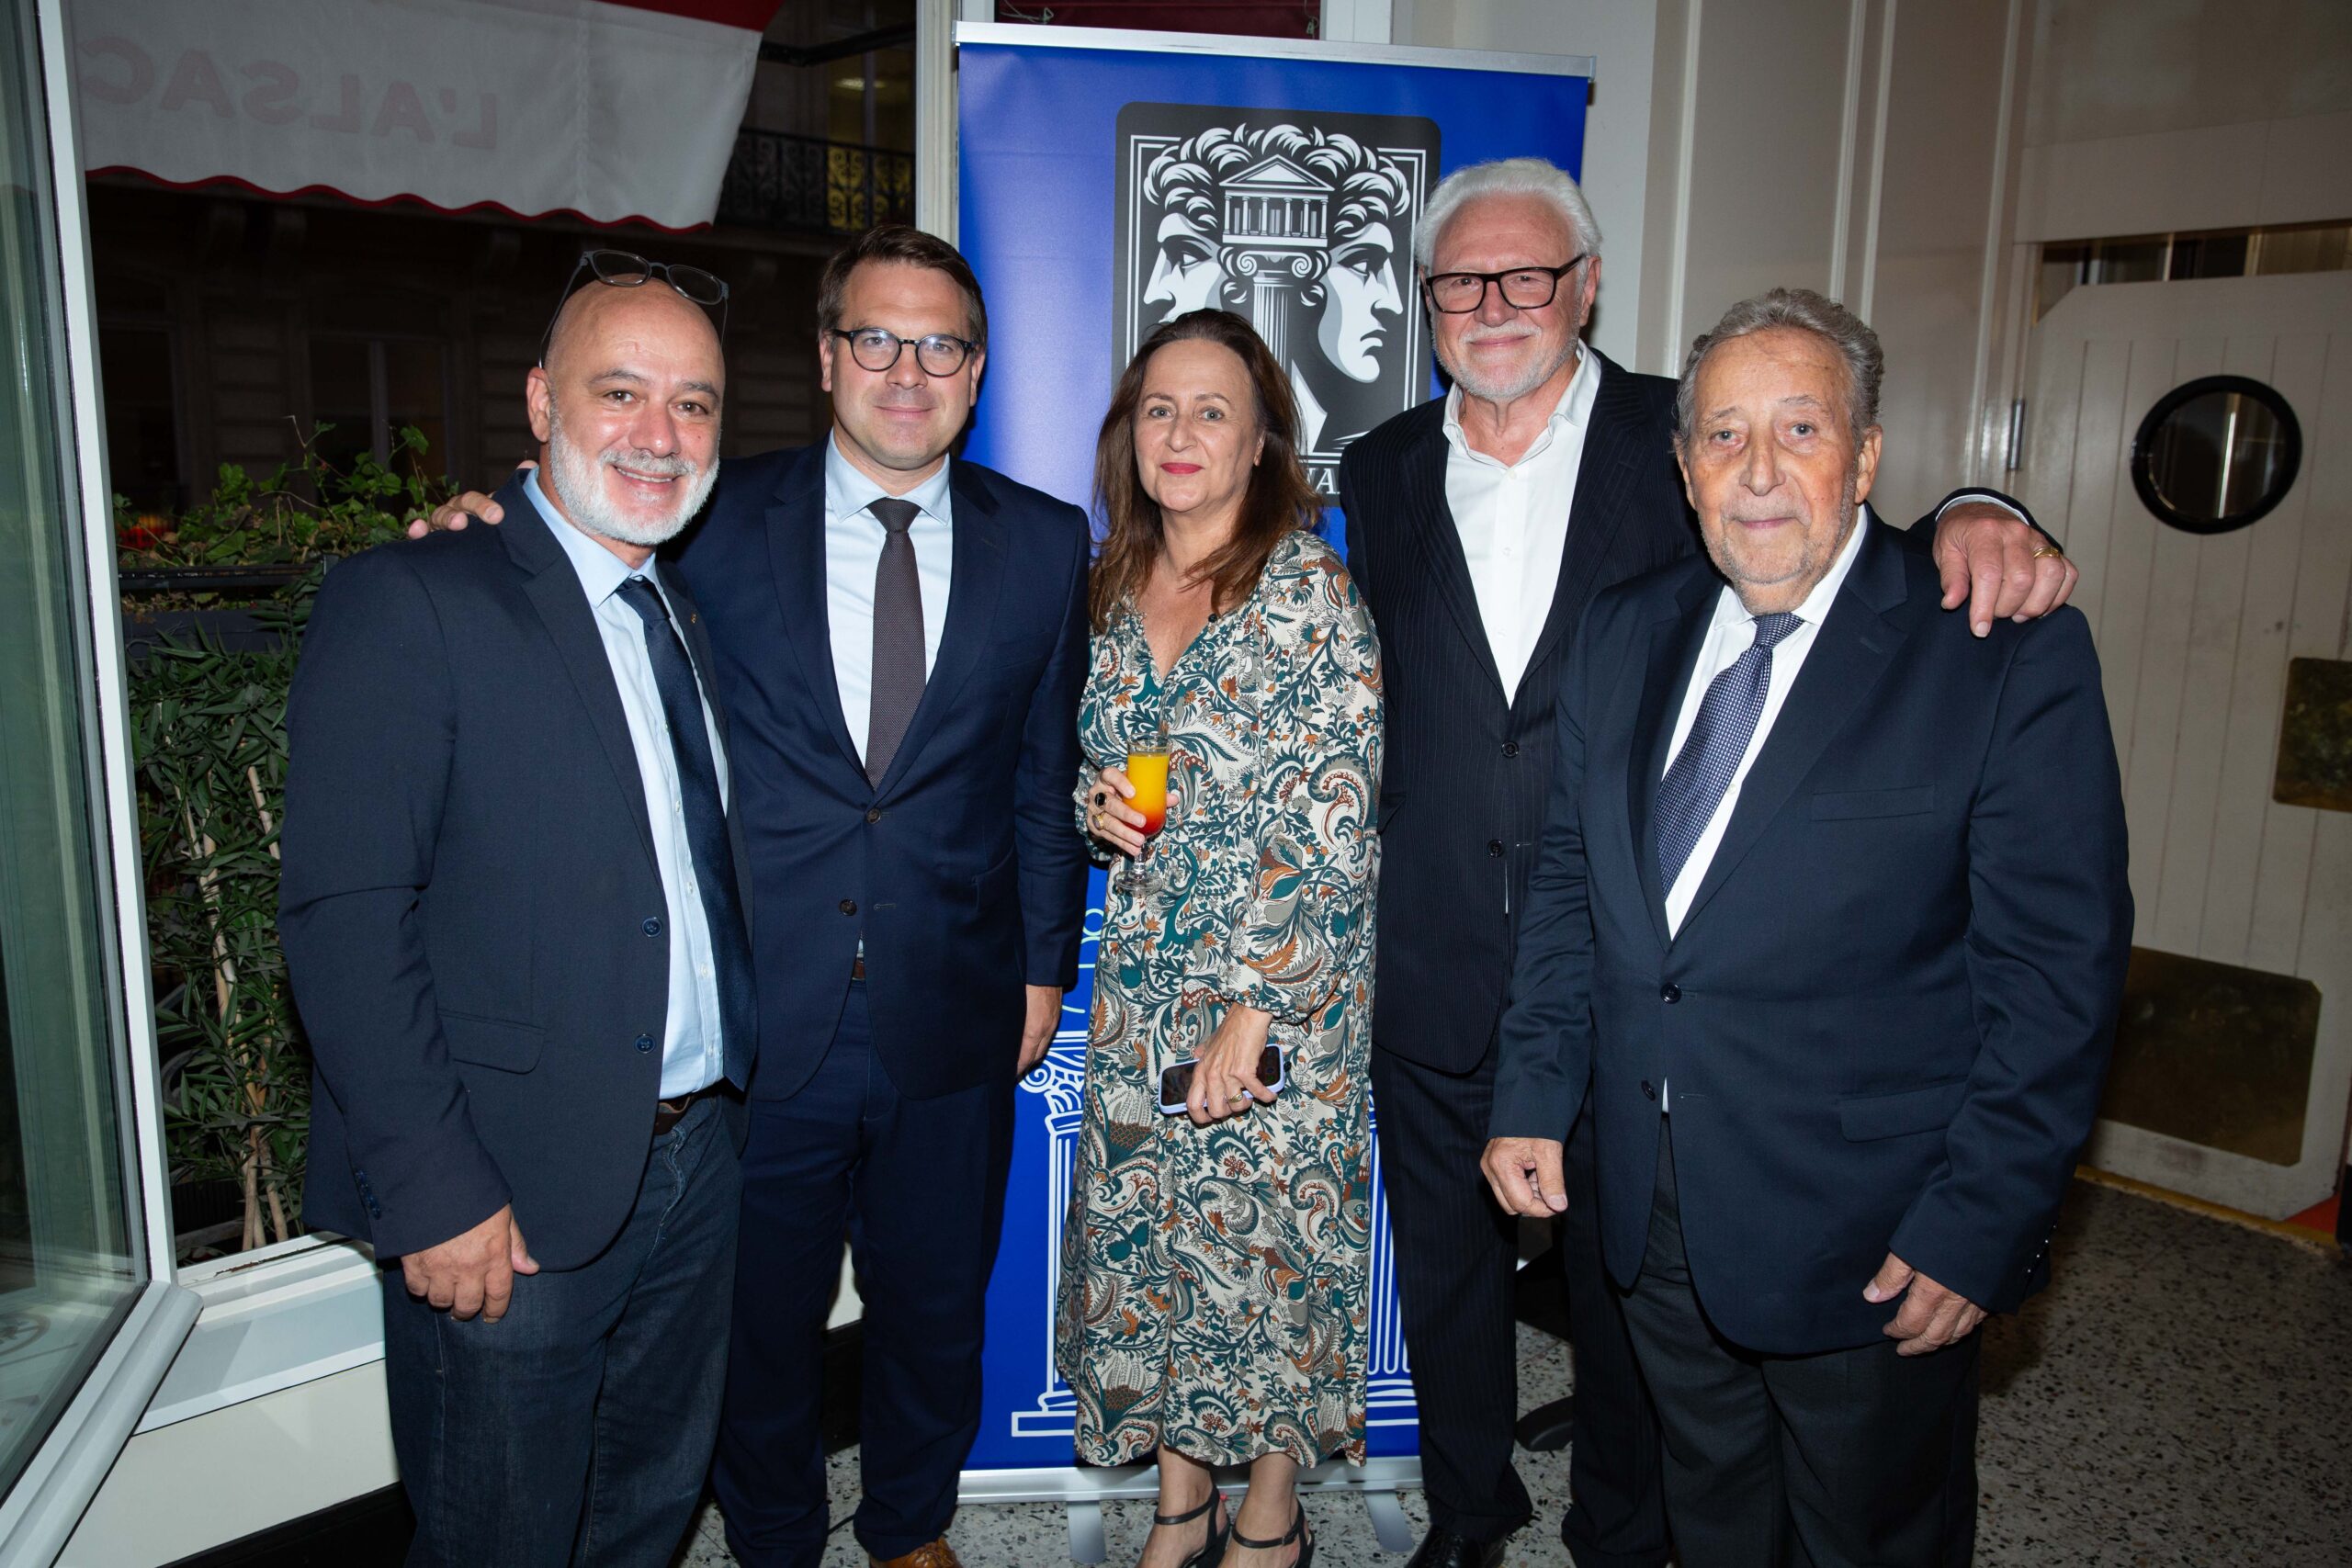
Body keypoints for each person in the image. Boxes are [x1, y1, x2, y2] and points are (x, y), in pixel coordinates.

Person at [1336, 158, 2080, 1568]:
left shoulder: (1684, 439)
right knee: (1619, 1392)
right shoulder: (1386, 474)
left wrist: (1979, 503)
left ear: (1587, 288)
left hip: (1763, 1114)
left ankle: (1617, 1538)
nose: (1492, 304)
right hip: (1470, 974)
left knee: (1749, 1438)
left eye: (1526, 275)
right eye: (1460, 283)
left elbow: (2052, 972)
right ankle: (1476, 1515)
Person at [416, 224, 1093, 1568]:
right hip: (757, 1015)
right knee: (757, 1323)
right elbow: (573, 537)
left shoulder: (1043, 541)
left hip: (958, 1008)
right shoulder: (713, 514)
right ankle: (776, 1538)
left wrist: (1042, 969)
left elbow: (1042, 773)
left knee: (935, 1305)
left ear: (977, 372)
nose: (909, 371)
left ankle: (909, 1526)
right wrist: (475, 521)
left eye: (943, 346)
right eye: (877, 339)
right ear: (828, 357)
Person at [1483, 288, 2132, 1568]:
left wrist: (1979, 1224)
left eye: (1801, 429)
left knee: (1869, 1538)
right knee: (1717, 1516)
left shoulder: (1997, 651)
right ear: (1685, 471)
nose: (1761, 472)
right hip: (1654, 1212)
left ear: (1868, 458)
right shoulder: (1625, 631)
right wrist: (1533, 1093)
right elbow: (1572, 885)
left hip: (1875, 1234)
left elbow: (2058, 982)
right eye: (1724, 436)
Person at [282, 262, 752, 1567]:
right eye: (621, 393)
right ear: (544, 403)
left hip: (695, 1166)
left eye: (694, 403)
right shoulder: (413, 597)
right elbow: (343, 919)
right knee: (496, 1539)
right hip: (508, 1194)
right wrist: (431, 1191)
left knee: (645, 1513)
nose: (660, 434)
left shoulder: (680, 607)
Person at [1062, 309, 1383, 1568]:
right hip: (1147, 977)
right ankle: (1180, 1502)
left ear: (1261, 445)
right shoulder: (1109, 585)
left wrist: (1256, 1004)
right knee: (1160, 1248)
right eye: (1159, 409)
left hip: (1280, 982)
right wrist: (1096, 809)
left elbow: (1337, 818)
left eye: (1212, 411)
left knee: (1267, 1252)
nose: (1181, 433)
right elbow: (1110, 771)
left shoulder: (1308, 592)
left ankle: (1270, 1516)